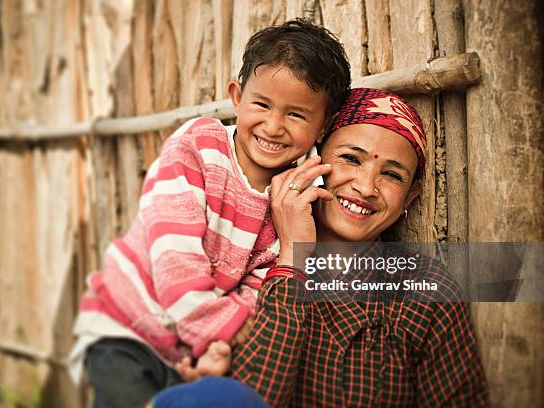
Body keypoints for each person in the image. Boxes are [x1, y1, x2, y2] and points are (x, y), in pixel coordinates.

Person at [68, 19, 351, 407]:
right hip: (129, 326)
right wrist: (220, 334)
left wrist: (214, 348)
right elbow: (173, 261)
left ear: (324, 126)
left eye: (297, 115)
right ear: (237, 97)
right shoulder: (197, 148)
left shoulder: (293, 193)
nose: (273, 126)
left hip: (197, 346)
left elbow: (260, 286)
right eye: (262, 104)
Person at [152, 88, 488, 407]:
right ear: (311, 159)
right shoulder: (241, 259)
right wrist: (291, 259)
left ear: (410, 197)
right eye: (350, 159)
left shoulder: (425, 293)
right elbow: (251, 398)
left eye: (392, 175)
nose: (366, 187)